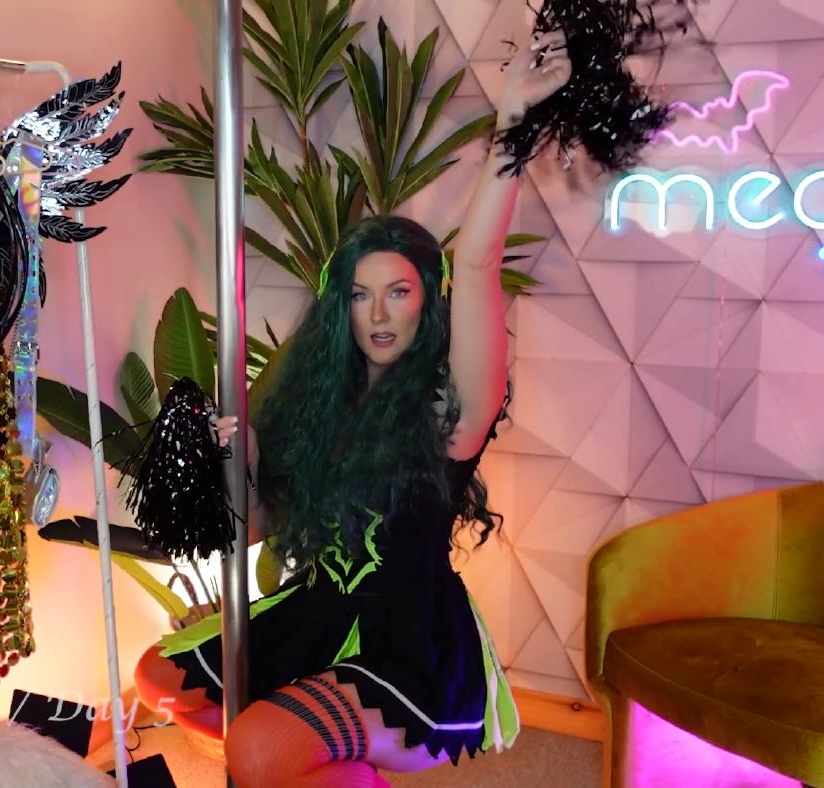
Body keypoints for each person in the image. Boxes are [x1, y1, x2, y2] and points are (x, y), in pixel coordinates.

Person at [132, 27, 574, 788]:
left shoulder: (449, 408)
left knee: (256, 751)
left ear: (426, 301)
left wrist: (512, 119)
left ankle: (330, 757)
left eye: (398, 291)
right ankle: (334, 765)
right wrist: (241, 459)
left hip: (405, 638)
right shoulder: (316, 404)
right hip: (318, 611)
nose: (379, 314)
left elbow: (476, 262)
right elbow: (255, 528)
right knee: (159, 677)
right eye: (362, 295)